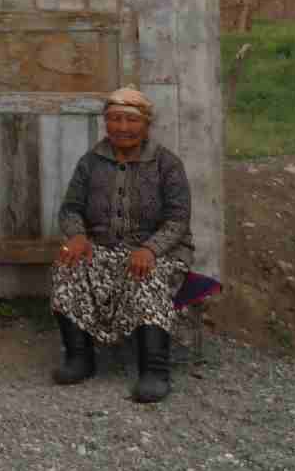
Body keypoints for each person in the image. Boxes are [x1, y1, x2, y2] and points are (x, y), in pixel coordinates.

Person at [51, 86, 193, 403]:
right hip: (102, 247)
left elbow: (178, 220)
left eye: (131, 120)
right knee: (68, 266)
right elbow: (70, 208)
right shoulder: (91, 162)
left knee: (146, 276)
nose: (123, 128)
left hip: (159, 251)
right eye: (115, 119)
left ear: (146, 125)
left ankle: (154, 371)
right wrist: (77, 236)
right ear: (106, 123)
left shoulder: (166, 165)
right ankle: (79, 358)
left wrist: (150, 249)